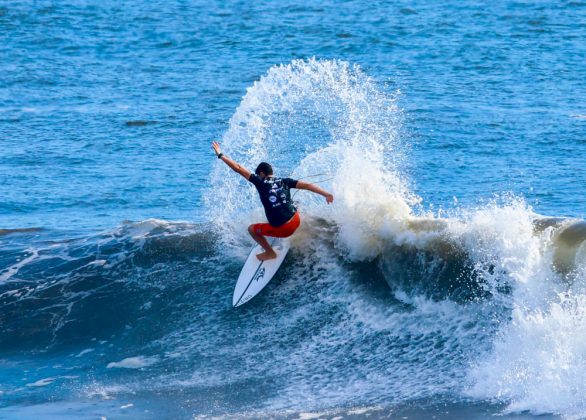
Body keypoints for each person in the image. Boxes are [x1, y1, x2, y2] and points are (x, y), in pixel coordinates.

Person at [212, 141, 334, 261]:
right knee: (294, 203)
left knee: (251, 229)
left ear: (261, 174)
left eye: (258, 175)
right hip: (296, 220)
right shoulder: (285, 181)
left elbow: (238, 168)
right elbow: (307, 185)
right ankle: (289, 224)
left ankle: (270, 253)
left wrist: (220, 154)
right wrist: (326, 194)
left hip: (284, 230)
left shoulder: (260, 182)